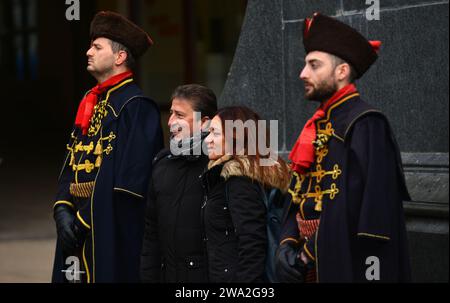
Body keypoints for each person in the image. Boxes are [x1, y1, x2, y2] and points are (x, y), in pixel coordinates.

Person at [276, 13, 411, 283]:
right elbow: (299, 193)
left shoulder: (367, 124)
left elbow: (364, 207)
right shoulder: (317, 123)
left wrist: (309, 253)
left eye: (314, 65)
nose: (303, 73)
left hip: (344, 260)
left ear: (342, 71)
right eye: (305, 64)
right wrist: (286, 244)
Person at [52, 11, 163, 283]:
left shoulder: (136, 107)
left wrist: (84, 219)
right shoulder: (90, 101)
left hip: (108, 226)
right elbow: (73, 159)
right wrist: (63, 209)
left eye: (97, 47)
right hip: (78, 223)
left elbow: (129, 184)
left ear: (120, 57)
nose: (88, 52)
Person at [202, 106, 291, 282]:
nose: (208, 140)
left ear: (237, 138)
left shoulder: (239, 180)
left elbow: (253, 244)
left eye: (215, 133)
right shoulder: (243, 176)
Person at [140, 84, 217, 283]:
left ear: (204, 123)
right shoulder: (161, 162)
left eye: (180, 116)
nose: (170, 121)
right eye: (171, 113)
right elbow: (151, 235)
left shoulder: (219, 166)